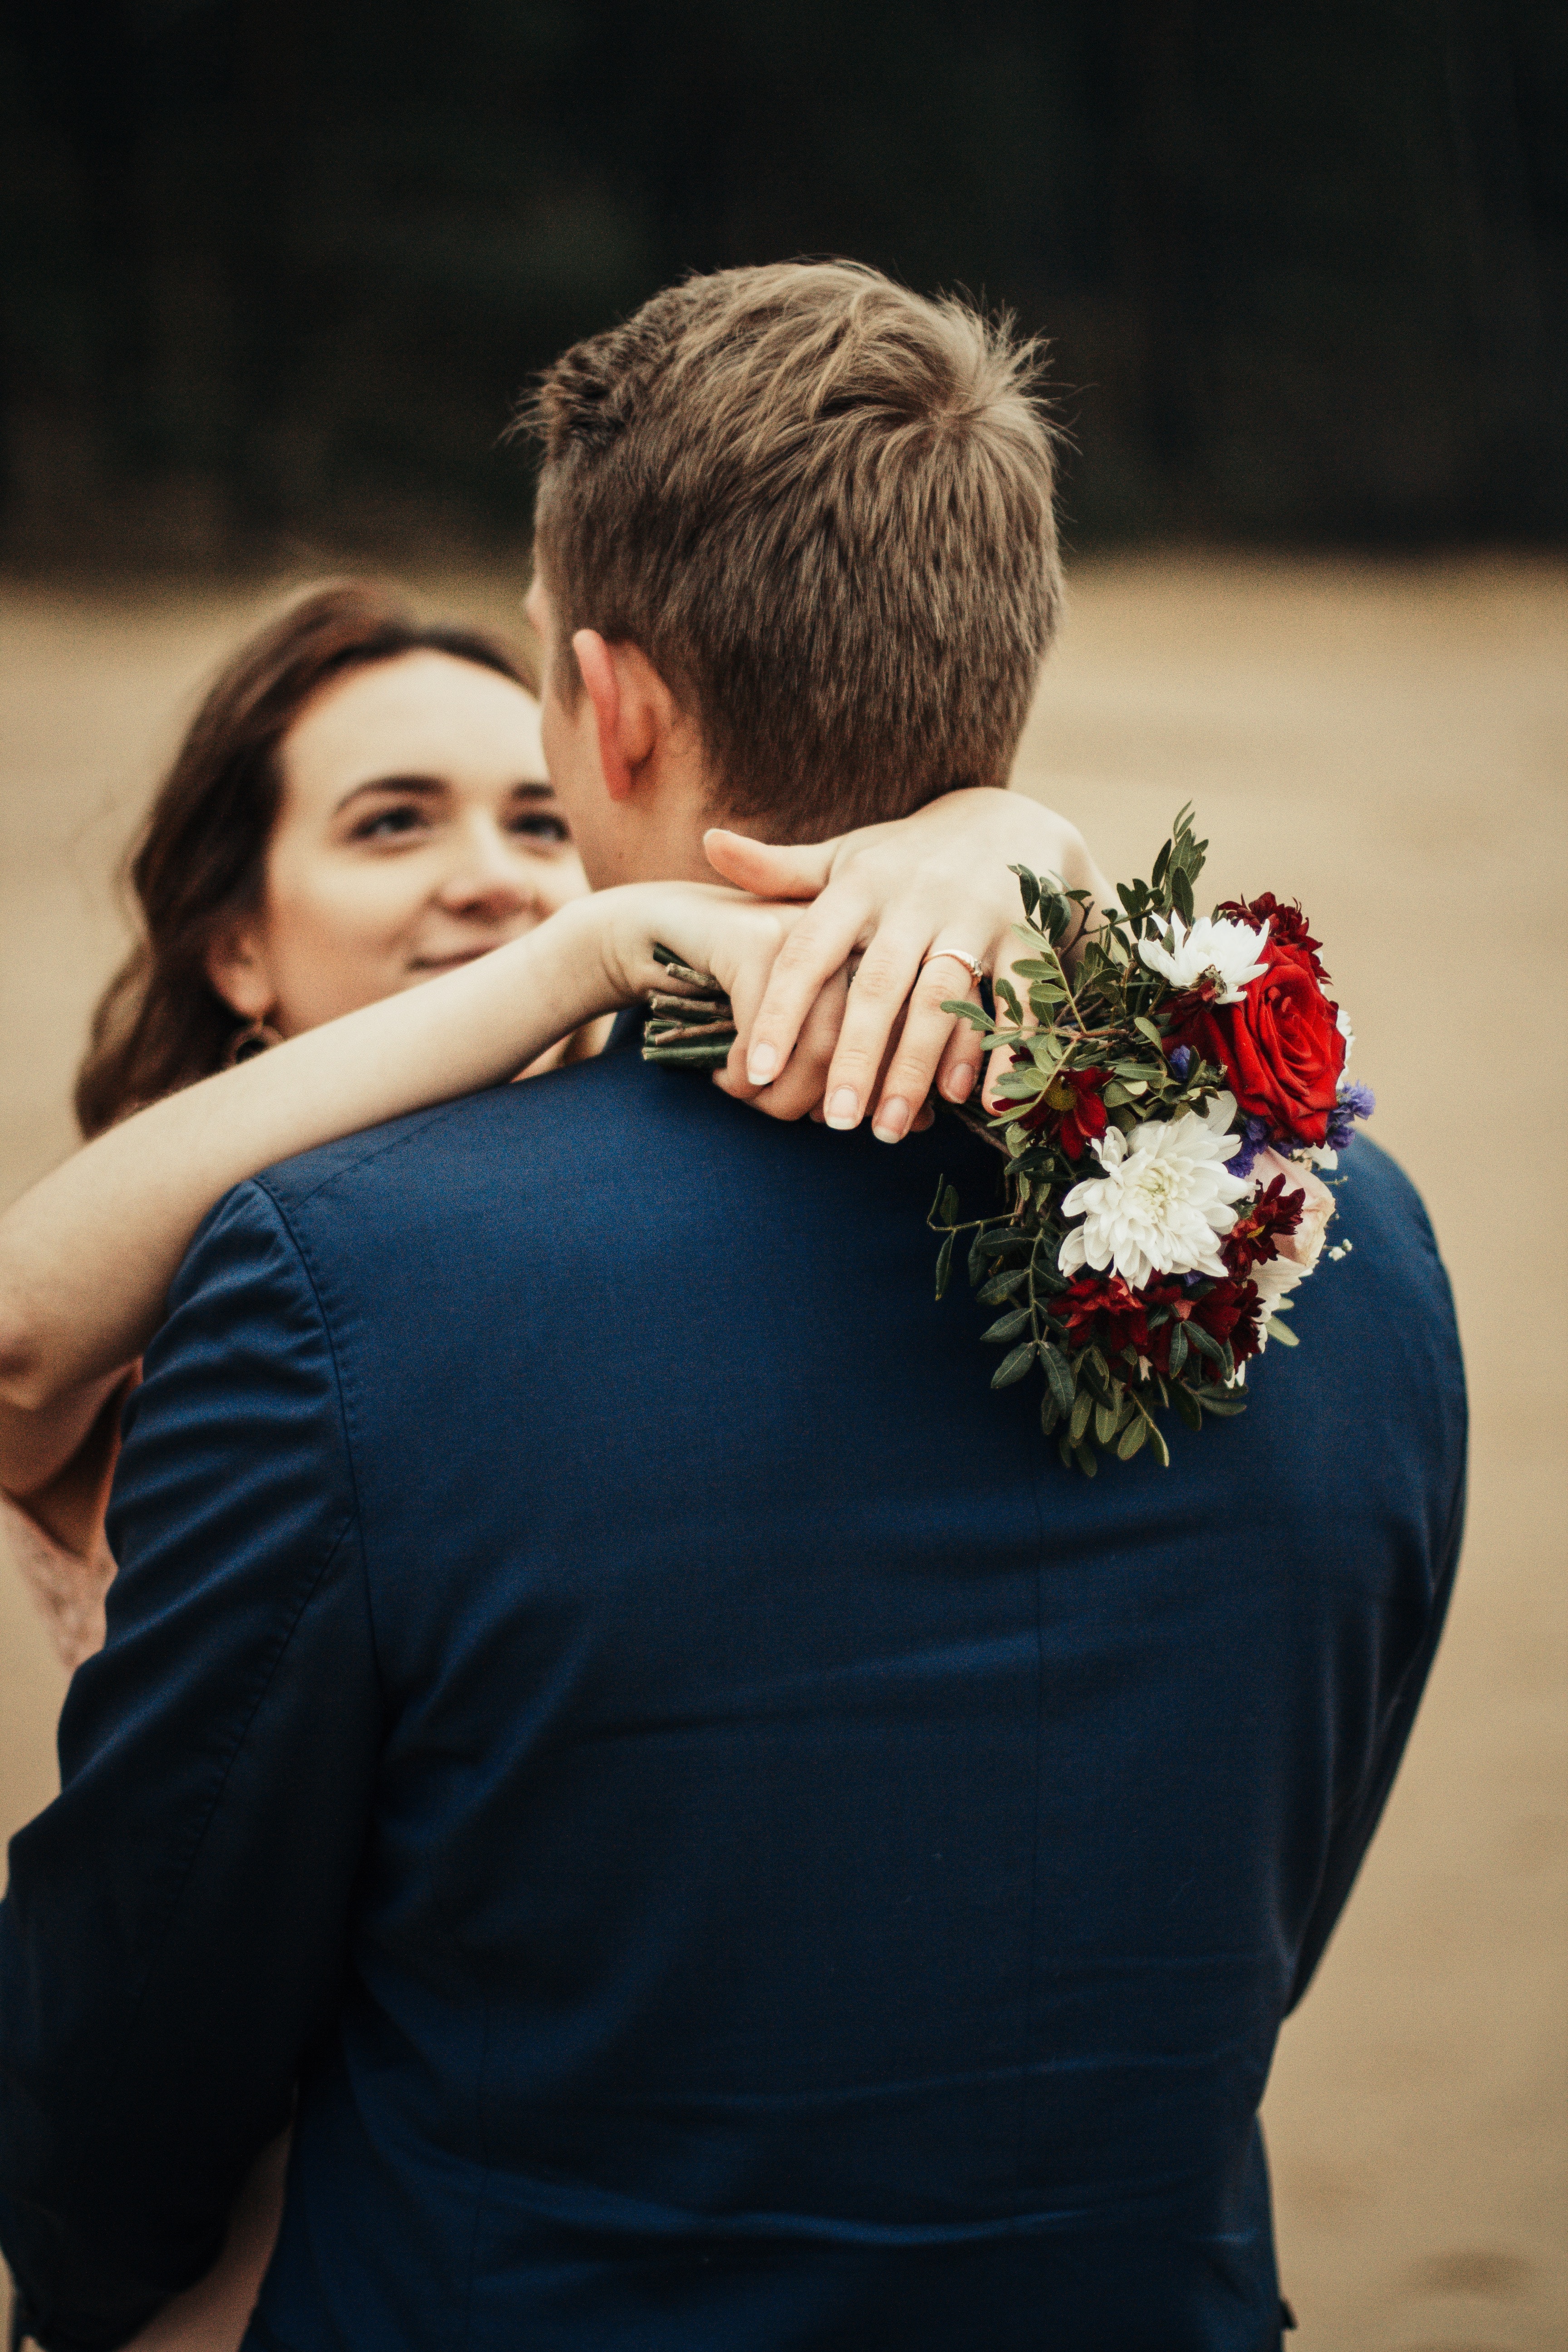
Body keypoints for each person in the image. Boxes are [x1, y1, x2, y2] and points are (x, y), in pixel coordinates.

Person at [0, 264, 1464, 2352]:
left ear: (610, 702)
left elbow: (145, 2011)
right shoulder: (1345, 1240)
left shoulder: (342, 1290)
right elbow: (1268, 1917)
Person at [0, 573, 1103, 2352]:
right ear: (237, 946)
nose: (490, 869)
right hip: (265, 2256)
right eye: (389, 823)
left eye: (534, 815)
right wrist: (575, 952)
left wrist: (1002, 829)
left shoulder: (666, 1237)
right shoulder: (180, 1282)